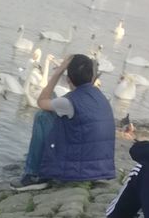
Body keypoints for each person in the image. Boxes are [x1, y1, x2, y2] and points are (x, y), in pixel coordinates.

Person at [20, 52, 115, 186]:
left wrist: (58, 72)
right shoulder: (100, 97)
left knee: (43, 116)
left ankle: (33, 174)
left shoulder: (69, 102)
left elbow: (41, 102)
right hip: (102, 169)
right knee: (63, 118)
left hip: (79, 171)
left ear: (68, 80)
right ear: (92, 76)